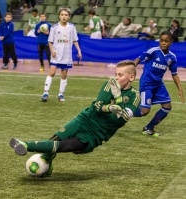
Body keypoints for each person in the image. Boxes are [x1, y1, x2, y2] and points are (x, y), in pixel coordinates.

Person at [10, 60, 140, 176]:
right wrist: (108, 108)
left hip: (95, 135)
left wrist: (118, 99)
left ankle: (39, 157)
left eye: (120, 75)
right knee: (55, 138)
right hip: (85, 119)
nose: (116, 78)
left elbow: (120, 121)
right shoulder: (109, 85)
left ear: (131, 77)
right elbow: (97, 106)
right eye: (116, 74)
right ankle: (25, 146)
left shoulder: (135, 96)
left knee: (61, 146)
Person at [133, 31, 184, 136]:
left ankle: (148, 128)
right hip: (146, 84)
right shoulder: (153, 51)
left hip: (158, 84)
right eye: (161, 41)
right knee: (144, 111)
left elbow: (174, 74)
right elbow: (138, 59)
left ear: (171, 42)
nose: (163, 43)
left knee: (167, 106)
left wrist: (180, 88)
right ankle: (123, 113)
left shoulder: (172, 57)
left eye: (166, 41)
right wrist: (131, 70)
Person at [41, 7, 82, 102]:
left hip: (66, 55)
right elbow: (50, 41)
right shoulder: (54, 27)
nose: (64, 16)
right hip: (56, 54)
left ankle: (61, 94)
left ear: (69, 17)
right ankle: (45, 92)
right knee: (52, 72)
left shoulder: (72, 27)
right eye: (62, 14)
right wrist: (52, 51)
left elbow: (75, 40)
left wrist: (79, 50)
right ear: (59, 16)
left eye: (66, 15)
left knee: (64, 74)